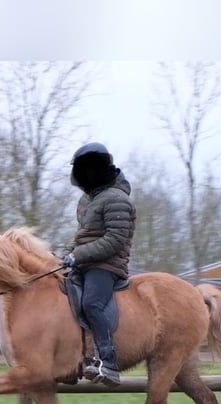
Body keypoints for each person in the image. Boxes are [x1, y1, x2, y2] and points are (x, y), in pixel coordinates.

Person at [61, 142, 135, 387]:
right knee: (61, 297)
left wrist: (78, 256)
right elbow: (82, 235)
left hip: (108, 265)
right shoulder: (86, 201)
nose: (86, 176)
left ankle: (108, 362)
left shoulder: (117, 200)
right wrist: (65, 255)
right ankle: (71, 362)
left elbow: (114, 240)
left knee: (92, 303)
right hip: (85, 262)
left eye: (90, 170)